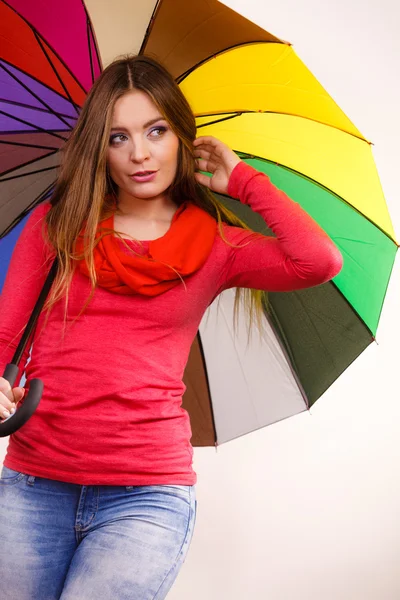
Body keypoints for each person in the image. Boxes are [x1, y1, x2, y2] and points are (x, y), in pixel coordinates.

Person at [0, 55, 343, 599]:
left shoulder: (219, 246)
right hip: (33, 484)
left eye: (156, 131)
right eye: (118, 137)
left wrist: (247, 183)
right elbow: (3, 339)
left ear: (182, 138)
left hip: (145, 496)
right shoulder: (58, 223)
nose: (140, 154)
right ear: (99, 148)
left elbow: (317, 262)